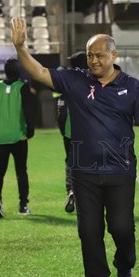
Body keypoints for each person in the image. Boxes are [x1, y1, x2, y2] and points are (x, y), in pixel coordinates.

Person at [10, 16, 139, 277]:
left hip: (120, 171)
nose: (93, 60)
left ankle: (124, 265)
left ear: (114, 55)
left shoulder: (132, 87)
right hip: (83, 172)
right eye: (90, 55)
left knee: (121, 228)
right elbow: (41, 72)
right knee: (88, 232)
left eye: (99, 55)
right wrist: (21, 49)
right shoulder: (75, 80)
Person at [0, 58, 37, 218]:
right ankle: (23, 205)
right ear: (20, 71)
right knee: (21, 171)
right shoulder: (23, 87)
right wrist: (30, 130)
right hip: (19, 137)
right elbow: (28, 111)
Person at [54, 51, 89, 213]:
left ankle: (72, 190)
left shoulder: (67, 82)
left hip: (70, 130)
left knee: (71, 162)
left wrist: (62, 129)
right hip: (90, 131)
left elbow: (61, 109)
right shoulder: (93, 81)